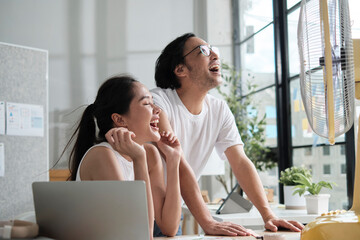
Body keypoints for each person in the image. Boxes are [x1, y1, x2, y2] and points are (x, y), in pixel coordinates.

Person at [150, 33, 305, 236]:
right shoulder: (157, 103)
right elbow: (177, 163)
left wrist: (268, 215)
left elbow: (240, 162)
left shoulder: (219, 109)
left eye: (214, 50)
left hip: (171, 212)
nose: (215, 55)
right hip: (141, 211)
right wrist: (207, 221)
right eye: (203, 51)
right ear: (180, 69)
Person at [63, 75, 182, 238]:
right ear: (119, 119)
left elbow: (169, 227)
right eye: (147, 103)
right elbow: (140, 234)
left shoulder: (150, 153)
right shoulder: (102, 155)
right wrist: (139, 160)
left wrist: (174, 160)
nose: (157, 110)